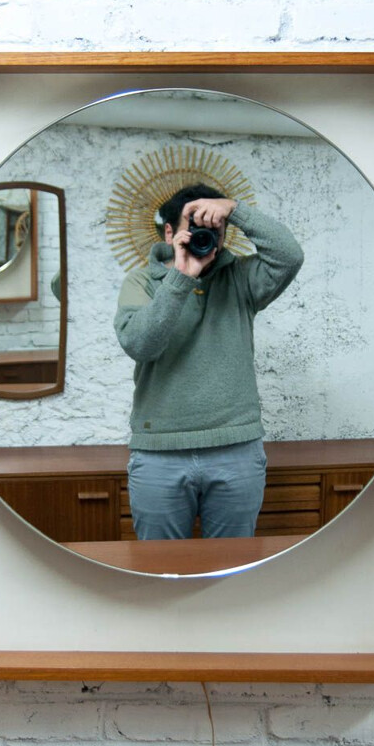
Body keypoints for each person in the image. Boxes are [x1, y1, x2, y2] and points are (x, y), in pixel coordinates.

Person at [114, 183, 304, 540]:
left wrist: (234, 209)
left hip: (236, 450)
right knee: (160, 571)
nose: (204, 236)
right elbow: (140, 344)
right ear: (170, 232)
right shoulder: (141, 282)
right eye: (193, 226)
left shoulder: (240, 278)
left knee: (232, 572)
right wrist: (181, 277)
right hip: (160, 455)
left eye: (213, 230)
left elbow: (289, 255)